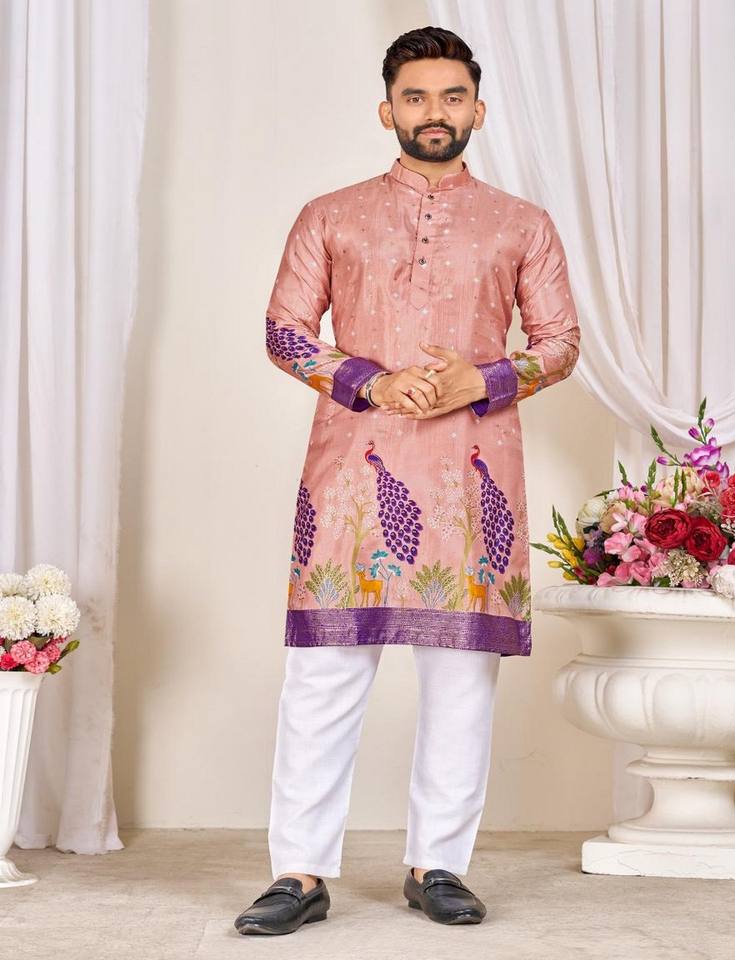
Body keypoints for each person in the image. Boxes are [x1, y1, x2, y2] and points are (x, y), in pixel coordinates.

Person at [234, 24, 580, 936]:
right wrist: (373, 382)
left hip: (472, 474)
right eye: (416, 97)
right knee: (323, 675)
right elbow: (283, 331)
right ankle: (298, 873)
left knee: (461, 678)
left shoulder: (522, 224)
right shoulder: (330, 215)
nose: (435, 112)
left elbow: (561, 343)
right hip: (354, 469)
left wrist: (484, 378)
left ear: (479, 110)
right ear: (386, 111)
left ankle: (439, 866)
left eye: (452, 96)